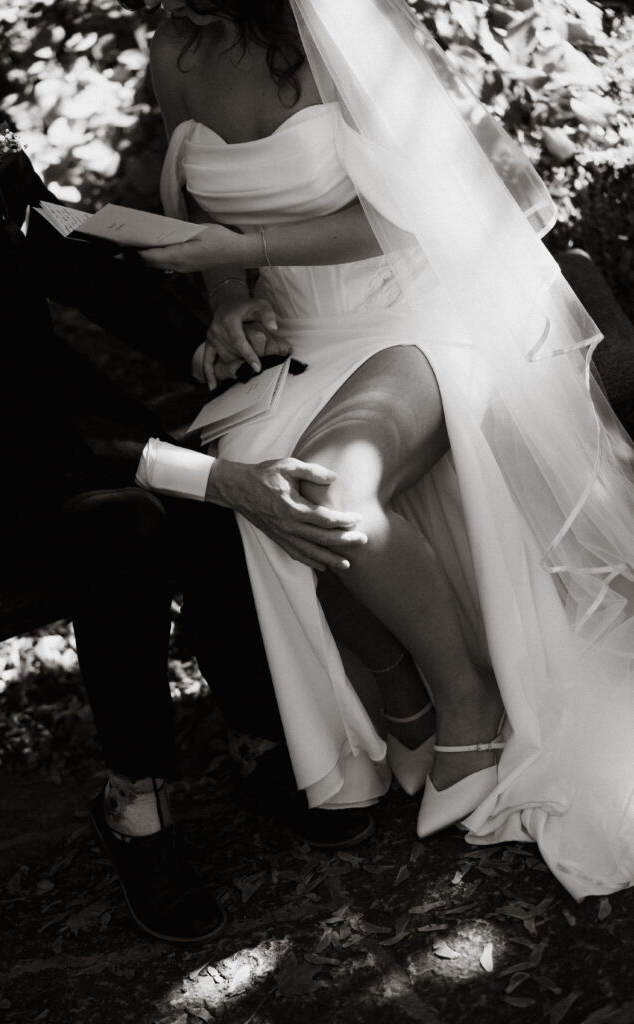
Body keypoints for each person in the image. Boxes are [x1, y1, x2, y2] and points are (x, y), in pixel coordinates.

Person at [129, 0, 634, 899]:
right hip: (303, 345)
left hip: (420, 316)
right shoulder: (175, 48)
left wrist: (249, 244)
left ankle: (466, 704)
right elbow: (205, 211)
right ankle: (402, 697)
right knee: (262, 485)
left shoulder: (337, 22)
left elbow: (426, 209)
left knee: (324, 486)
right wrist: (226, 299)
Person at [0, 1, 376, 945]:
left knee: (214, 446)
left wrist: (209, 351)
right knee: (133, 521)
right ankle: (135, 803)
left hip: (39, 423)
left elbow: (73, 261)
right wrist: (201, 471)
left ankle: (259, 732)